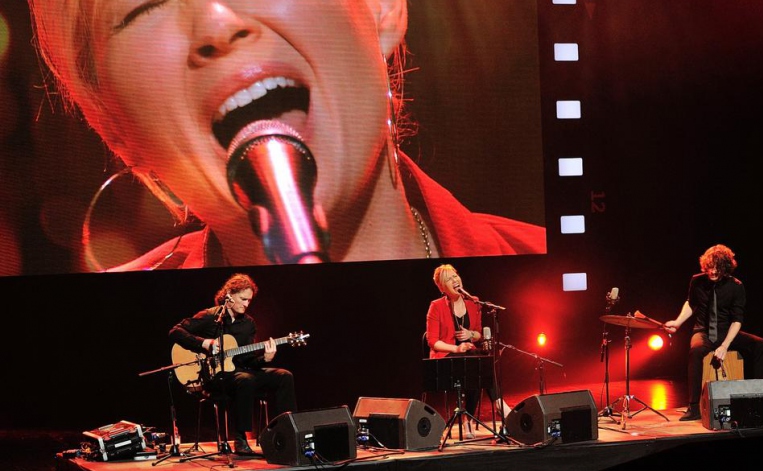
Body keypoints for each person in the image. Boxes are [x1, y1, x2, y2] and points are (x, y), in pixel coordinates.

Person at [26, 0, 546, 271]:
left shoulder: (554, 275)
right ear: (113, 125)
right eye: (141, 6)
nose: (215, 22)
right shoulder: (97, 355)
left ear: (382, 9)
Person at [169, 273, 296, 453]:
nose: (246, 304)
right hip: (213, 377)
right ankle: (240, 438)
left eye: (249, 300)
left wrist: (265, 359)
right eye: (243, 299)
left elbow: (248, 361)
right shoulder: (210, 317)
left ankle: (289, 431)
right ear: (229, 295)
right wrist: (204, 343)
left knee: (284, 376)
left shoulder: (248, 324)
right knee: (245, 379)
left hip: (239, 373)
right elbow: (175, 331)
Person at [664, 244, 763, 421]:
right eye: (710, 268)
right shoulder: (697, 281)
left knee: (760, 345)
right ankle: (694, 407)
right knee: (696, 350)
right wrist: (678, 322)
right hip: (703, 331)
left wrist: (725, 346)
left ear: (725, 268)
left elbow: (737, 320)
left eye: (717, 269)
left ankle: (759, 399)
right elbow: (691, 303)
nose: (712, 272)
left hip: (726, 332)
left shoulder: (736, 286)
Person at [426, 264, 504, 438]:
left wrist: (470, 334)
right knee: (475, 361)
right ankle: (499, 405)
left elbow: (478, 334)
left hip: (470, 357)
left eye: (455, 276)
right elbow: (433, 341)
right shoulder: (436, 306)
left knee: (478, 360)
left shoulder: (473, 303)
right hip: (446, 358)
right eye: (449, 279)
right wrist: (457, 347)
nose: (455, 280)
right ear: (441, 287)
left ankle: (468, 419)